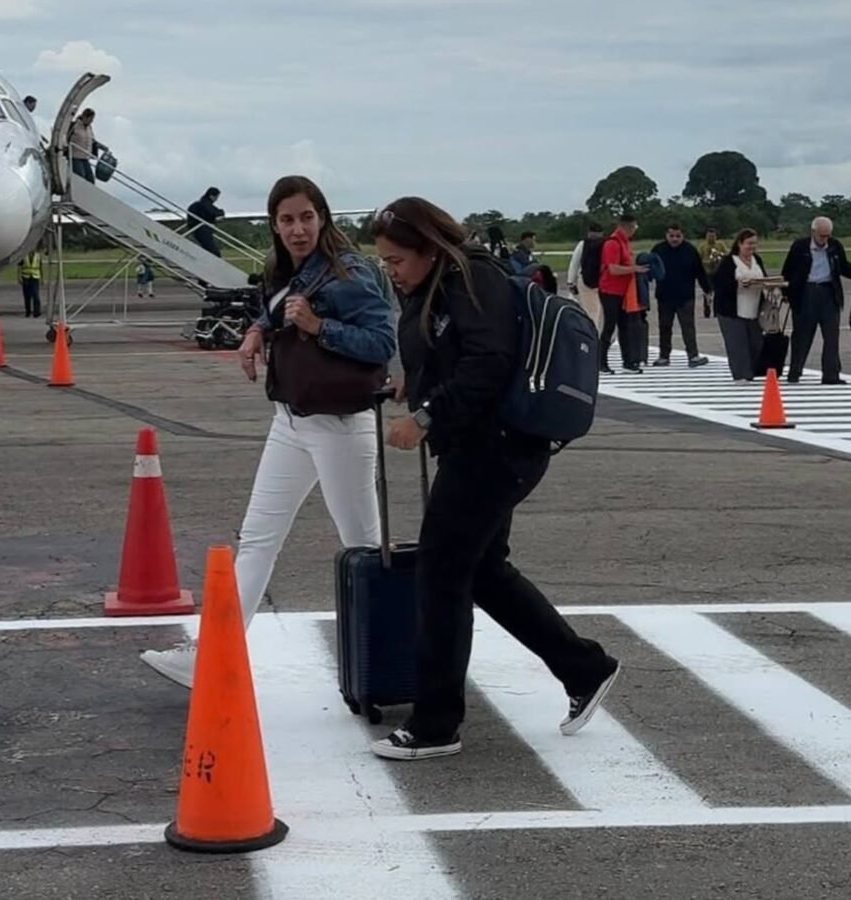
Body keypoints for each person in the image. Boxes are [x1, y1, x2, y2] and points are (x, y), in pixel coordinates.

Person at [367, 196, 620, 761]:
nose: (391, 270)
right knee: (481, 570)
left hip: (496, 447)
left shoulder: (470, 277)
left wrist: (426, 418)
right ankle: (585, 668)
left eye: (396, 260)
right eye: (384, 261)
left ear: (428, 249)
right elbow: (454, 352)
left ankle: (436, 725)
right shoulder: (443, 281)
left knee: (440, 571)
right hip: (486, 445)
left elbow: (489, 361)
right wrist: (419, 384)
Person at [139, 175, 396, 688]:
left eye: (305, 217)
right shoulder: (285, 268)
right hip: (292, 421)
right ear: (274, 225)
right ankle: (210, 656)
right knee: (257, 539)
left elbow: (381, 341)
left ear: (322, 217)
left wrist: (320, 328)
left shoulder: (352, 272)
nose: (297, 229)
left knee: (363, 546)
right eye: (286, 220)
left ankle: (397, 655)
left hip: (340, 426)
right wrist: (258, 329)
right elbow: (276, 306)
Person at [782, 216, 851, 385]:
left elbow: (844, 267)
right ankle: (795, 371)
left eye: (827, 235)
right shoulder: (800, 247)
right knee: (802, 336)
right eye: (821, 236)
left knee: (831, 336)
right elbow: (787, 270)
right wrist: (787, 293)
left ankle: (831, 374)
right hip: (806, 293)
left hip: (828, 292)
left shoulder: (834, 246)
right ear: (813, 232)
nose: (824, 239)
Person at [711, 228, 768, 384]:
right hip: (731, 310)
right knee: (737, 344)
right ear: (739, 243)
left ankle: (751, 373)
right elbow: (718, 284)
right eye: (749, 243)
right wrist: (738, 285)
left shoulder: (757, 259)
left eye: (754, 243)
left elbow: (765, 278)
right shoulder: (729, 262)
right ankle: (740, 375)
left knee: (756, 343)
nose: (752, 247)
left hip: (754, 308)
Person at [649, 224, 711, 367]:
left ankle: (693, 355)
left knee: (688, 327)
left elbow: (700, 272)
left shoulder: (690, 250)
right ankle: (664, 356)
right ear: (666, 235)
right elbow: (649, 270)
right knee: (664, 327)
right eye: (671, 236)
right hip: (664, 296)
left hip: (685, 296)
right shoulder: (658, 250)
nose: (675, 239)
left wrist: (707, 289)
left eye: (678, 236)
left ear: (683, 236)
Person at [597, 214, 649, 374]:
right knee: (609, 326)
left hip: (623, 291)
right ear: (627, 227)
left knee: (625, 326)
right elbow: (612, 269)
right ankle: (601, 362)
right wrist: (634, 269)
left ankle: (628, 361)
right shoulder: (612, 244)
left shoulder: (625, 243)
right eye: (634, 227)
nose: (634, 231)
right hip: (610, 291)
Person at [67, 108, 108, 184]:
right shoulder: (74, 126)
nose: (91, 121)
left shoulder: (89, 128)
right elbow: (66, 137)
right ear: (84, 117)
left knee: (90, 180)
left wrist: (103, 147)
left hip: (85, 158)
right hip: (75, 157)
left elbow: (92, 141)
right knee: (80, 177)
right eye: (90, 119)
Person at [187, 187, 225, 257]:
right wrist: (220, 214)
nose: (216, 199)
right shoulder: (205, 204)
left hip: (194, 229)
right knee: (214, 252)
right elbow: (214, 212)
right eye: (216, 197)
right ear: (211, 196)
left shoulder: (197, 205)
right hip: (202, 230)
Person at [19, 248, 42, 318]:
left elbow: (40, 267)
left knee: (35, 295)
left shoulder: (38, 255)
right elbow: (19, 266)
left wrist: (42, 278)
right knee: (27, 296)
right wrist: (19, 277)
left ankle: (36, 312)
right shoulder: (23, 255)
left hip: (35, 277)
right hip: (25, 277)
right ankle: (28, 311)